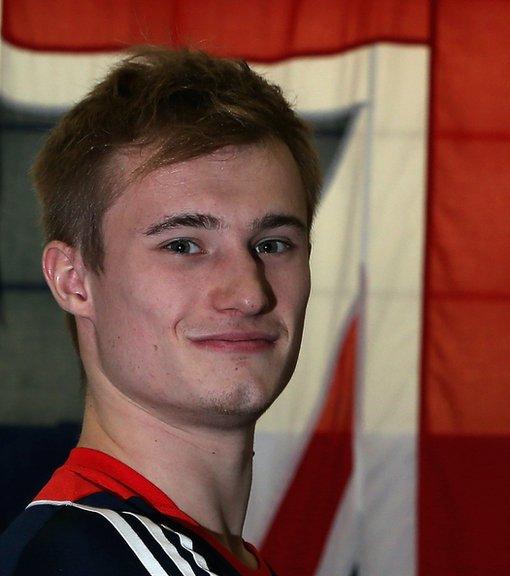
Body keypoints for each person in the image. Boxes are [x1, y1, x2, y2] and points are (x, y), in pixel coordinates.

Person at [0, 47, 321, 576]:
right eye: (183, 245)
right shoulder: (83, 563)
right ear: (73, 280)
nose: (249, 293)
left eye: (272, 244)